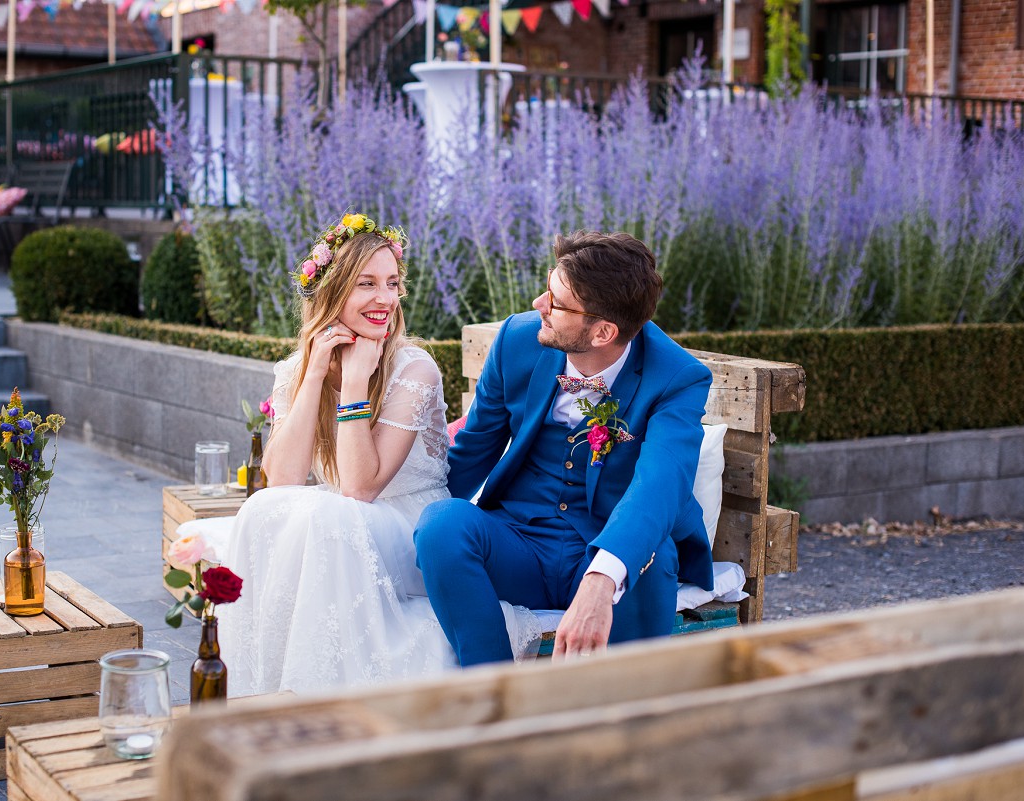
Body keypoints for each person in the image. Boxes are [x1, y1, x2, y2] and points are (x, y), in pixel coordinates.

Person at [414, 230, 717, 666]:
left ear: (603, 332)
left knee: (653, 555)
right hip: (517, 542)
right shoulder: (518, 340)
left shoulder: (677, 377)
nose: (539, 303)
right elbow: (471, 452)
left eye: (556, 302)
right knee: (442, 525)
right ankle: (496, 699)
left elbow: (661, 483)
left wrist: (600, 580)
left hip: (604, 541)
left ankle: (617, 716)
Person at [208, 212, 459, 696]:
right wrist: (314, 374)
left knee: (332, 518)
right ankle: (260, 695)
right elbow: (280, 479)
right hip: (344, 521)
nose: (384, 298)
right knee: (260, 510)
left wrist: (358, 382)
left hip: (411, 529)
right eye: (367, 283)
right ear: (333, 291)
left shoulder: (414, 368)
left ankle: (322, 700)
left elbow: (360, 487)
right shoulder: (295, 370)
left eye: (391, 283)